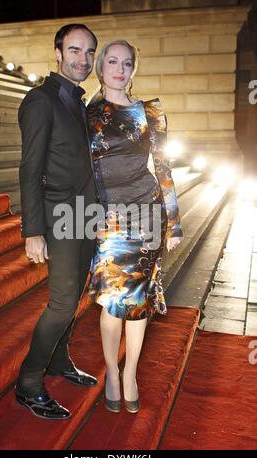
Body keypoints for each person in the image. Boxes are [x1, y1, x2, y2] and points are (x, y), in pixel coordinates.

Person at [86, 40, 183, 413]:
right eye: (112, 61)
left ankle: (130, 375)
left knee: (138, 304)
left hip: (148, 215)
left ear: (133, 69)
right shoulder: (87, 114)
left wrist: (173, 225)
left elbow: (164, 169)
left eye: (127, 63)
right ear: (101, 66)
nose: (120, 69)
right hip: (108, 220)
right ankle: (112, 371)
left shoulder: (150, 112)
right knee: (113, 303)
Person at [15, 24, 98, 420]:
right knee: (63, 303)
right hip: (58, 216)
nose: (83, 59)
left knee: (75, 297)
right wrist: (32, 231)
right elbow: (29, 168)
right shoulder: (40, 100)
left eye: (89, 52)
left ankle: (59, 360)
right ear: (58, 52)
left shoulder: (80, 103)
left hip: (87, 216)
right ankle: (28, 384)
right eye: (75, 50)